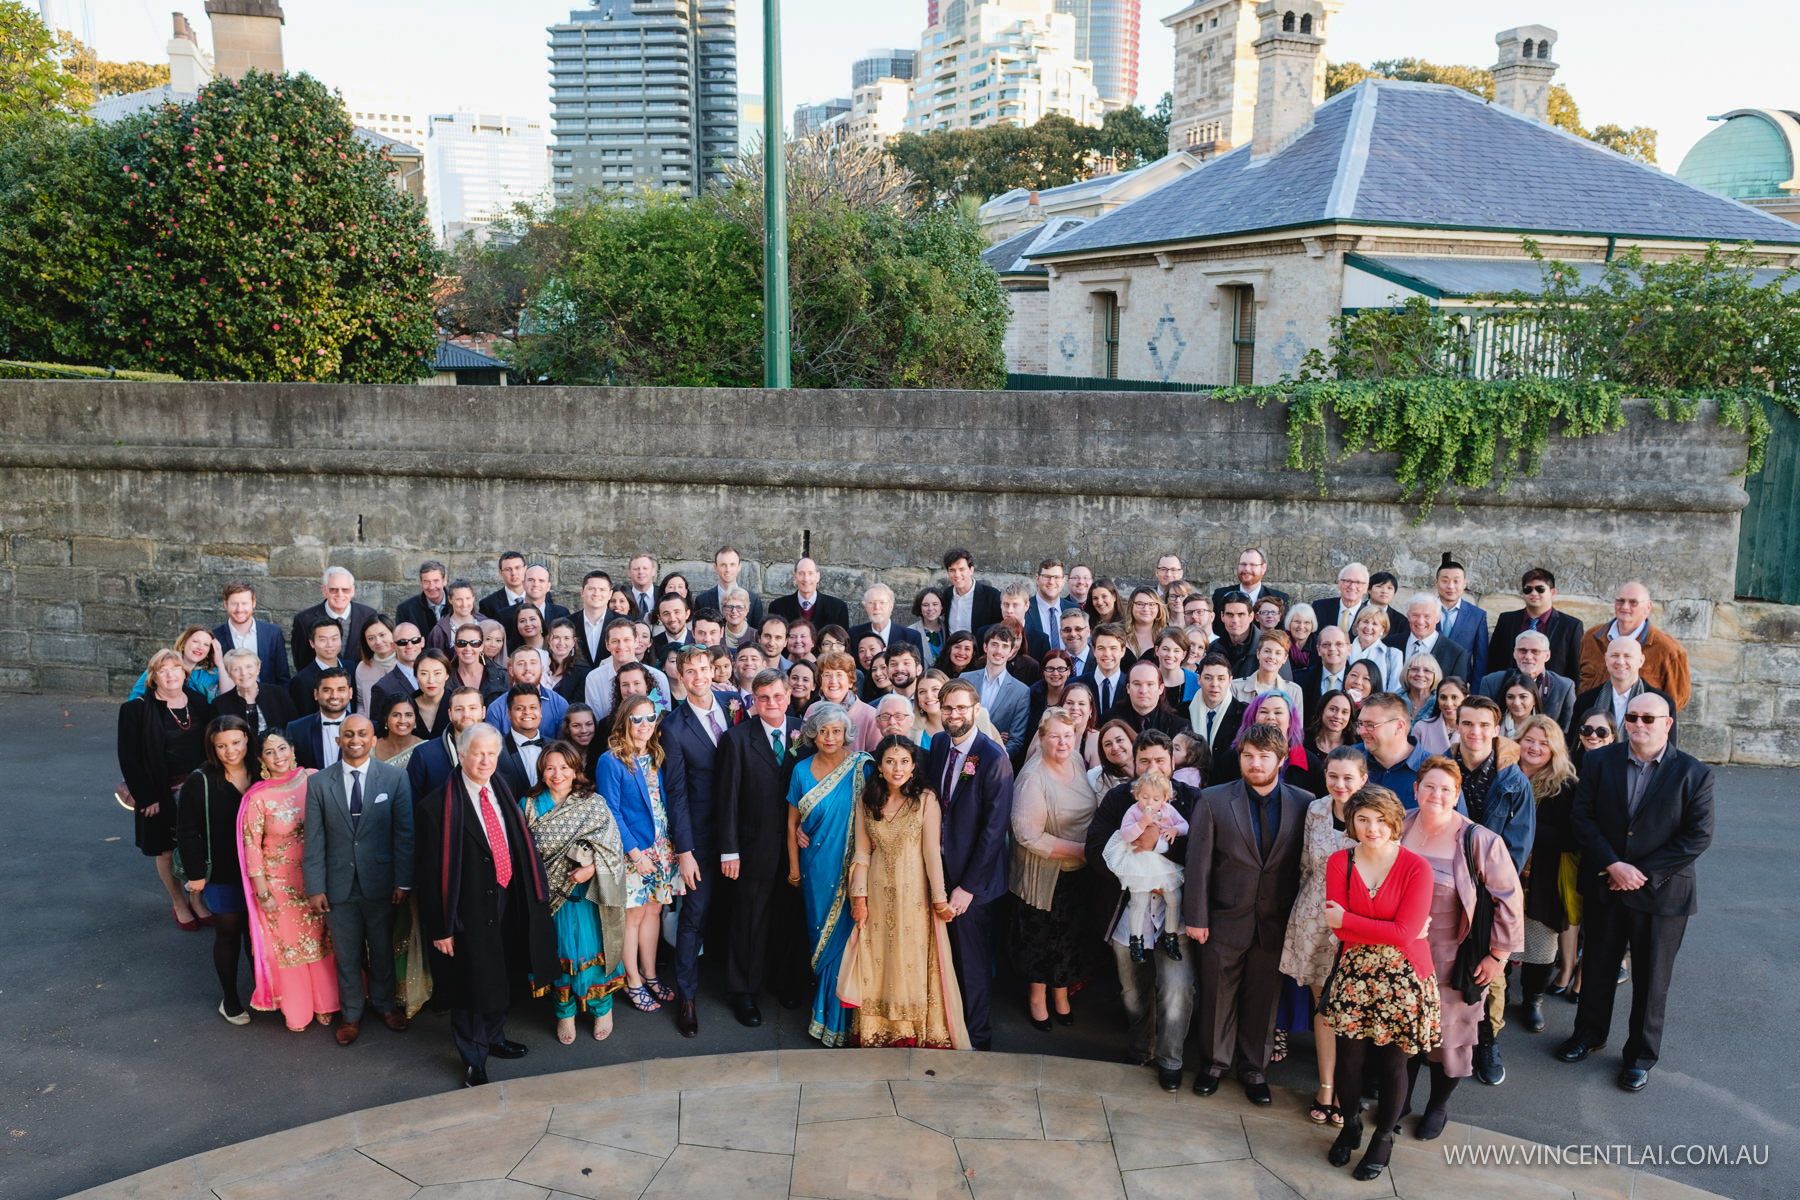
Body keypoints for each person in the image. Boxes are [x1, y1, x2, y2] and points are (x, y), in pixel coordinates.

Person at [1559, 693, 1714, 1092]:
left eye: (1649, 717)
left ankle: (1640, 1057)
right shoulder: (1598, 761)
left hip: (1661, 896)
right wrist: (1613, 865)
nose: (1639, 724)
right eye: (1632, 716)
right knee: (1597, 967)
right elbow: (1583, 818)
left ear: (1667, 723)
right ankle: (1588, 1035)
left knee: (1652, 979)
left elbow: (1697, 837)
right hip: (1606, 883)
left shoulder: (1695, 774)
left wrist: (1639, 872)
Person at [415, 721, 557, 1087]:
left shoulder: (504, 788)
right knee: (470, 983)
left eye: (491, 753)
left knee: (501, 973)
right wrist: (442, 927)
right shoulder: (437, 806)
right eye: (477, 753)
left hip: (508, 898)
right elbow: (429, 875)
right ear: (461, 755)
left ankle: (494, 1037)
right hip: (466, 910)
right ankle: (473, 1056)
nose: (485, 760)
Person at [1183, 722, 1312, 1105]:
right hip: (1223, 918)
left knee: (1263, 999)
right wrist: (1197, 917)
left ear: (1281, 760)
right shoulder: (1213, 799)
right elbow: (1198, 863)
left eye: (1264, 757)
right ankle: (1213, 1065)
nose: (1255, 763)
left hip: (1275, 923)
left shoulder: (1305, 803)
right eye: (1248, 755)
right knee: (1217, 996)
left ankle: (1254, 1070)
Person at [1318, 785, 1442, 1181]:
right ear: (1352, 822)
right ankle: (1351, 1123)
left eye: (1380, 820)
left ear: (1394, 824)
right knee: (1349, 1062)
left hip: (1405, 978)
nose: (1372, 828)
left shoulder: (1416, 868)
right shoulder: (1340, 862)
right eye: (1362, 819)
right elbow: (1339, 934)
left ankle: (1383, 1137)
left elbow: (1405, 934)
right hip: (1355, 974)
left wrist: (1350, 920)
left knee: (1393, 1066)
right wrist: (1383, 929)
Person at [1398, 757, 1523, 1142]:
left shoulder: (1479, 840)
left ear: (1456, 796)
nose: (1436, 795)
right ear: (1416, 789)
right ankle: (1398, 1100)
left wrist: (1498, 956)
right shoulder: (1397, 825)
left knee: (1448, 1038)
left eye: (1445, 789)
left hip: (1454, 957)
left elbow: (1509, 900)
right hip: (1399, 955)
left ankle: (1438, 1105)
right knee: (1402, 1034)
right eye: (1429, 787)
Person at [1086, 731, 1198, 1089]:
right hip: (1129, 910)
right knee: (1132, 990)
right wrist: (1134, 876)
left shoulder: (1191, 799)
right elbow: (1094, 848)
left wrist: (1159, 851)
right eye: (1145, 761)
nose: (1153, 767)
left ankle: (1170, 1059)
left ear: (1173, 762)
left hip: (1173, 916)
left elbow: (1201, 849)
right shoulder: (1121, 799)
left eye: (1160, 761)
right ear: (1135, 765)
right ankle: (1140, 1048)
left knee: (1176, 990)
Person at [842, 735, 969, 1048]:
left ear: (913, 767)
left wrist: (939, 900)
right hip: (874, 896)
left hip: (914, 900)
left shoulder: (925, 800)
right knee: (876, 960)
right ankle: (876, 1031)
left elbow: (931, 856)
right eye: (889, 761)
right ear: (880, 767)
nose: (897, 768)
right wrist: (859, 898)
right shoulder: (867, 799)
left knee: (909, 960)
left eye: (903, 761)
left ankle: (910, 1032)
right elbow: (860, 852)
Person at [302, 714, 415, 1045]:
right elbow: (314, 839)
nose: (355, 739)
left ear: (373, 739)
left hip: (382, 882)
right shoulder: (320, 783)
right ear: (338, 741)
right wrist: (315, 887)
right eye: (348, 734)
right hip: (337, 885)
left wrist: (404, 881)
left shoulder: (395, 779)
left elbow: (404, 834)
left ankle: (384, 1005)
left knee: (382, 948)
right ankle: (350, 1014)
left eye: (362, 734)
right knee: (347, 953)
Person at [1279, 746, 1367, 1126]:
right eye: (1333, 776)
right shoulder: (1314, 810)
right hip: (1314, 920)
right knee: (1325, 1007)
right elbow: (1303, 866)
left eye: (1348, 777)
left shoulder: (1373, 814)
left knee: (1356, 1011)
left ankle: (1353, 1088)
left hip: (1359, 922)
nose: (1340, 784)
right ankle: (1327, 1086)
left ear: (1363, 779)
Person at [926, 679, 1015, 1050]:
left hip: (972, 882)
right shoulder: (937, 744)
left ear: (976, 709)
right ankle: (948, 1026)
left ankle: (977, 1037)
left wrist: (967, 887)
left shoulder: (994, 758)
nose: (953, 715)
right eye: (947, 708)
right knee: (943, 957)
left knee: (972, 961)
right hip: (940, 870)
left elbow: (994, 832)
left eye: (961, 708)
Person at [522, 740, 628, 1045]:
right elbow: (522, 853)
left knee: (594, 950)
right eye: (550, 768)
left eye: (565, 767)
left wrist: (590, 869)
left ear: (575, 770)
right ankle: (564, 1013)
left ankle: (601, 1008)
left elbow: (613, 848)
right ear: (541, 771)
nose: (558, 774)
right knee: (559, 953)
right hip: (549, 898)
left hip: (588, 895)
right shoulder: (528, 804)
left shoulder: (593, 803)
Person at [717, 670, 807, 1022]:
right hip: (753, 846)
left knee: (788, 918)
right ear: (753, 700)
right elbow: (727, 798)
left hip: (796, 847)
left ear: (788, 696)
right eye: (764, 697)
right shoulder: (737, 738)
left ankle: (784, 982)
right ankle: (744, 992)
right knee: (749, 920)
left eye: (778, 696)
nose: (772, 703)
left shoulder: (805, 732)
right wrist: (729, 850)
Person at [237, 730, 340, 1033]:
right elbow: (251, 845)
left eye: (282, 748)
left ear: (292, 749)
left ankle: (327, 1003)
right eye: (269, 752)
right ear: (260, 759)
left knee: (324, 940)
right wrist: (263, 892)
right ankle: (298, 1009)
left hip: (318, 878)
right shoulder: (258, 797)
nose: (278, 756)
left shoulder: (314, 778)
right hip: (279, 886)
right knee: (291, 947)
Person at [1009, 708, 1099, 1029]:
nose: (1063, 742)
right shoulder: (1034, 777)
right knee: (1042, 938)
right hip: (1044, 876)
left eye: (1069, 735)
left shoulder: (1075, 760)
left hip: (1078, 871)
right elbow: (1027, 835)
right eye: (1055, 736)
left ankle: (1061, 994)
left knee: (1069, 938)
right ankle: (1037, 998)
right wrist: (1081, 850)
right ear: (1042, 738)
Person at [659, 645, 733, 1037]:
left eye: (705, 668)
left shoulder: (734, 703)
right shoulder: (672, 727)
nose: (700, 676)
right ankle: (686, 997)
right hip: (701, 837)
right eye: (691, 671)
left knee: (739, 911)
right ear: (681, 677)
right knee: (694, 917)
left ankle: (741, 987)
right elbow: (677, 794)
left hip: (740, 830)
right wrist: (684, 851)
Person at [785, 703, 868, 1046]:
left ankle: (843, 1021)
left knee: (849, 942)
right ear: (812, 735)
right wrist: (793, 868)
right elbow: (791, 824)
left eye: (836, 731)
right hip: (815, 869)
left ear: (846, 733)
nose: (830, 737)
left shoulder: (864, 766)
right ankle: (827, 1016)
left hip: (855, 870)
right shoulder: (801, 770)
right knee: (822, 941)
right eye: (823, 731)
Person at [596, 694, 685, 1015]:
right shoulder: (611, 760)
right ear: (624, 721)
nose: (644, 725)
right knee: (632, 917)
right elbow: (612, 813)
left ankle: (650, 974)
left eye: (650, 718)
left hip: (663, 849)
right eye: (637, 718)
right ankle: (632, 980)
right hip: (633, 852)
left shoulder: (657, 755)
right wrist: (635, 854)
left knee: (654, 912)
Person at [177, 716, 256, 1023]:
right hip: (222, 872)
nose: (230, 751)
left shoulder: (261, 770)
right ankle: (231, 999)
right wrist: (196, 875)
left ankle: (262, 992)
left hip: (261, 871)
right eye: (221, 746)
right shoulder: (201, 779)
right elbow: (187, 831)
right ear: (212, 747)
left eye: (236, 743)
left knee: (257, 936)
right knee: (229, 933)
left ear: (247, 739)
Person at [1512, 715, 1579, 1034]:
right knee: (1497, 942)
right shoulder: (1503, 773)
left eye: (1543, 743)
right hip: (1504, 877)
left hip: (1543, 880)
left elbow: (1574, 836)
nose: (1535, 748)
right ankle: (1490, 1001)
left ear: (1555, 749)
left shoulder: (1565, 785)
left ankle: (1532, 1000)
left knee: (1540, 946)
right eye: (1529, 740)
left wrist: (1527, 828)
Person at [1104, 769, 1188, 964]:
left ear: (1165, 799)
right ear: (1137, 795)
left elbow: (1185, 826)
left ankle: (1171, 936)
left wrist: (1175, 829)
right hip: (1140, 862)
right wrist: (1142, 824)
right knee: (1139, 901)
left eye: (1155, 798)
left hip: (1161, 862)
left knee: (1174, 897)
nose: (1149, 803)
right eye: (1145, 797)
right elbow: (1126, 835)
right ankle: (1136, 940)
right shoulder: (1134, 811)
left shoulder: (1167, 811)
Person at [1577, 581, 1692, 712]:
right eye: (1620, 601)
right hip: (1592, 727)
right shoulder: (1592, 637)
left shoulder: (1669, 650)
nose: (1625, 607)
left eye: (1633, 603)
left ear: (1648, 607)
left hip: (1637, 727)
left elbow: (1676, 699)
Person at [1573, 636, 1679, 745]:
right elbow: (1574, 746)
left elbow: (1669, 749)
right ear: (1606, 659)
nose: (1620, 662)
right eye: (1614, 655)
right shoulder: (1585, 701)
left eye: (1628, 656)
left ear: (1641, 661)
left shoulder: (1662, 703)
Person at [1490, 567, 1585, 682]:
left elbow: (1576, 669)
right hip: (1509, 692)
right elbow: (1493, 660)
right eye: (1528, 589)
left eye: (1540, 589)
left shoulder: (1570, 626)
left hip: (1552, 693)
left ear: (1552, 592)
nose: (1534, 593)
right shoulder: (1506, 620)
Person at [1480, 630, 1576, 733]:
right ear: (1515, 653)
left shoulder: (1563, 687)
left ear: (1547, 655)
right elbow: (1482, 723)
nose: (1528, 657)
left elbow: (1567, 732)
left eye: (1535, 651)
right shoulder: (1492, 682)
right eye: (1522, 651)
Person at [961, 624, 1032, 762]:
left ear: (1011, 652)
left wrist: (996, 758)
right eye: (994, 644)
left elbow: (1016, 740)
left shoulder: (1021, 692)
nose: (999, 651)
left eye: (1005, 646)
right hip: (962, 753)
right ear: (985, 647)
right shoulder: (965, 679)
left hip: (996, 761)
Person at [406, 685, 489, 803]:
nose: (466, 714)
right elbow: (411, 805)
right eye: (459, 709)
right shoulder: (425, 754)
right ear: (450, 714)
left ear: (483, 712)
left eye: (473, 708)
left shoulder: (499, 750)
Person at [290, 566, 378, 674]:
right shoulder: (304, 620)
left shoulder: (368, 616)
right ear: (324, 590)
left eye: (345, 589)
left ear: (352, 591)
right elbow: (302, 662)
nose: (339, 594)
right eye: (333, 589)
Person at [213, 581, 291, 690]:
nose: (239, 609)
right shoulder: (214, 636)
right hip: (231, 702)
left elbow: (283, 677)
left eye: (244, 603)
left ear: (253, 603)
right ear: (226, 604)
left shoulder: (273, 633)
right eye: (234, 604)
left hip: (267, 700)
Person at [213, 648, 297, 746]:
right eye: (236, 669)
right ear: (229, 674)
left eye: (249, 667)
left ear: (258, 668)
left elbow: (294, 731)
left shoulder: (279, 694)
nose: (243, 673)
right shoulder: (219, 705)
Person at [1355, 692, 1421, 809]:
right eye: (1360, 724)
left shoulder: (1434, 771)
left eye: (1370, 725)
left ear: (1399, 726)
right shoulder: (1350, 759)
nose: (1361, 731)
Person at [1430, 553, 1491, 681]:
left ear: (1464, 583)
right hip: (1427, 682)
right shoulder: (1425, 611)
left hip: (1460, 684)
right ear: (1436, 582)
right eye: (1445, 581)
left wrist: (1475, 693)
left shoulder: (1477, 616)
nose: (1450, 586)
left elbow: (1481, 659)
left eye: (1456, 581)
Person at [1387, 594, 1471, 684]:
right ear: (1408, 616)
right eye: (1415, 615)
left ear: (1437, 618)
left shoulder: (1455, 654)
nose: (1420, 621)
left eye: (1427, 616)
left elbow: (1455, 691)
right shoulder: (1388, 644)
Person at [127, 624, 222, 703]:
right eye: (195, 641)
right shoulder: (161, 666)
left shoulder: (210, 674)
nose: (200, 647)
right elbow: (134, 699)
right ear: (184, 643)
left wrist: (220, 663)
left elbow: (229, 694)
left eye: (206, 645)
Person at [1189, 654, 1246, 775]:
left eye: (1221, 679)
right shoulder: (1183, 712)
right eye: (1208, 678)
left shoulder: (1244, 715)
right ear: (1199, 679)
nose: (1214, 684)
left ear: (1230, 681)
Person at [286, 667, 353, 771]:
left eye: (341, 689)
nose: (334, 696)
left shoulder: (368, 728)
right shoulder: (296, 729)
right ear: (316, 694)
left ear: (350, 693)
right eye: (327, 690)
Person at [1210, 547, 1289, 635]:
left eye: (1253, 565)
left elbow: (1281, 635)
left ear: (1263, 568)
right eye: (1243, 564)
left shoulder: (1279, 598)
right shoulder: (1220, 595)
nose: (1247, 569)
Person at [1291, 690, 1355, 797]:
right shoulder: (1302, 739)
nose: (1338, 716)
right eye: (1332, 709)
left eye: (1344, 712)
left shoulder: (1354, 746)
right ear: (1322, 710)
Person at [1107, 659, 1190, 738]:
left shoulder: (1179, 726)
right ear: (1128, 688)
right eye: (1137, 684)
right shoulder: (1110, 720)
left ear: (1160, 689)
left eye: (1150, 684)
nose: (1143, 691)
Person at [769, 556, 850, 632]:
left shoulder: (837, 608)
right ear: (795, 577)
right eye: (801, 573)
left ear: (818, 577)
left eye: (810, 573)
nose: (806, 579)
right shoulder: (777, 607)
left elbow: (842, 643)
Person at [288, 621, 351, 717]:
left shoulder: (353, 669)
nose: (329, 644)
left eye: (334, 639)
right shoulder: (301, 681)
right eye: (323, 640)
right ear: (312, 643)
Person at [694, 544, 765, 627]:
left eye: (732, 564)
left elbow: (756, 633)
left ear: (739, 567)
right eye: (723, 565)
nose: (728, 570)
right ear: (715, 567)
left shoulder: (753, 599)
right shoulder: (702, 600)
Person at [1229, 629, 1302, 711]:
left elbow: (1296, 723)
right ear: (1258, 654)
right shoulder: (1235, 687)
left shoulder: (1294, 691)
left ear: (1285, 658)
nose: (1272, 657)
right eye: (1267, 651)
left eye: (1278, 653)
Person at [1295, 626, 1353, 725]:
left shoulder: (1359, 682)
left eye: (1339, 644)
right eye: (1326, 645)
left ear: (1349, 649)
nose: (1332, 649)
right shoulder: (1300, 680)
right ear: (1318, 650)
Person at [938, 547, 1002, 636]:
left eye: (961, 569)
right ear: (948, 572)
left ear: (971, 570)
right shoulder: (946, 595)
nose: (957, 575)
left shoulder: (992, 596)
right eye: (952, 570)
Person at [353, 615, 400, 718]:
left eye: (382, 635)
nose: (378, 642)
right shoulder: (362, 668)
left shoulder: (406, 663)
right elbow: (361, 702)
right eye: (371, 638)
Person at [1411, 676, 1467, 758]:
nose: (1448, 703)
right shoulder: (1422, 728)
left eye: (1454, 697)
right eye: (1443, 697)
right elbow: (1413, 762)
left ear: (1466, 698)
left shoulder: (1474, 730)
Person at [1311, 562, 1371, 636]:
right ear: (1339, 583)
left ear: (1366, 588)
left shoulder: (1371, 616)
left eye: (1358, 583)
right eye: (1347, 581)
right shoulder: (1319, 607)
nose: (1352, 586)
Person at [394, 560, 451, 636]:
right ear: (421, 583)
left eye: (436, 581)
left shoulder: (457, 604)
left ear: (444, 581)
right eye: (426, 582)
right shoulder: (405, 610)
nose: (431, 587)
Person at [478, 551, 530, 627]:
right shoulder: (488, 604)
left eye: (517, 568)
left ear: (525, 569)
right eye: (508, 569)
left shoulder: (542, 596)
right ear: (500, 573)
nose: (513, 573)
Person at [427, 581, 482, 653]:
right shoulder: (440, 631)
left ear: (473, 598)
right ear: (450, 600)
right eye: (459, 599)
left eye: (468, 598)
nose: (464, 604)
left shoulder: (485, 623)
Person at [1153, 628, 1200, 712]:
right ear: (1157, 650)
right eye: (1165, 649)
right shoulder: (1147, 679)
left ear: (1183, 654)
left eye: (1176, 651)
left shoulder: (1197, 682)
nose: (1170, 655)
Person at [373, 694, 424, 768]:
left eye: (408, 715)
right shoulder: (372, 748)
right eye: (396, 715)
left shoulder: (424, 748)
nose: (402, 721)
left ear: (415, 719)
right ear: (386, 719)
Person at [1089, 718, 1137, 794]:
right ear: (1103, 752)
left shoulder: (1151, 765)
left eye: (1119, 740)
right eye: (1108, 744)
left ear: (1131, 740)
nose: (1115, 747)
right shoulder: (1102, 781)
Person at [1124, 587, 1167, 663]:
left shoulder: (1167, 637)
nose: (1146, 609)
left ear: (1158, 608)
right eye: (1140, 604)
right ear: (1131, 606)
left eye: (1151, 604)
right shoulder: (1118, 634)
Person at [1399, 653, 1443, 722]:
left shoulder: (1441, 703)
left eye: (1427, 670)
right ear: (1406, 672)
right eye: (1414, 669)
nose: (1420, 674)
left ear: (1435, 675)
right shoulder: (1393, 701)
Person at [1284, 602, 1318, 669]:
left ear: (1312, 625)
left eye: (1307, 622)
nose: (1301, 626)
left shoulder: (1320, 645)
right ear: (1289, 623)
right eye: (1297, 621)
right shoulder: (1280, 642)